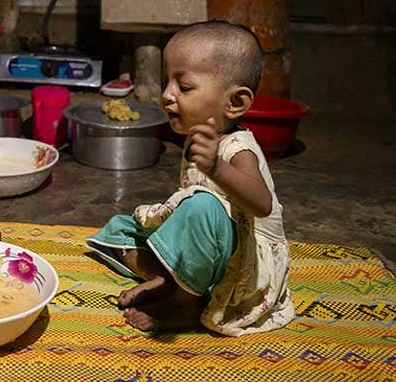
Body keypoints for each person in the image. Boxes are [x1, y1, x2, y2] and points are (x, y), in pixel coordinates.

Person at [85, 21, 294, 335]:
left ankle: (186, 305)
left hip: (244, 268)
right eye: (166, 81)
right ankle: (167, 278)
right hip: (211, 249)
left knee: (201, 208)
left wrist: (217, 169)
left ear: (235, 102)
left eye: (183, 87)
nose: (167, 95)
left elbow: (262, 204)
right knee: (121, 228)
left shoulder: (238, 149)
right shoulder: (200, 136)